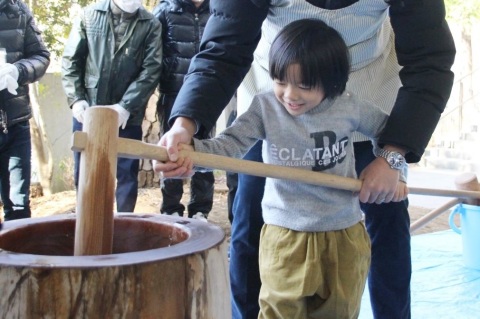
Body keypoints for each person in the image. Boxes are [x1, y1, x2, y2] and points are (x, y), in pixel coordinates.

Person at [154, 1, 456, 318]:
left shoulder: (356, 109)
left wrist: (393, 156)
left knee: (389, 223)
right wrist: (184, 128)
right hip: (276, 111)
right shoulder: (271, 105)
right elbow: (223, 50)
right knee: (249, 223)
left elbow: (429, 59)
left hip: (364, 95)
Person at [61, 0, 162, 213]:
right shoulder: (89, 15)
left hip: (128, 116)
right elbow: (72, 60)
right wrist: (77, 99)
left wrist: (126, 106)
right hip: (88, 112)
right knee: (87, 172)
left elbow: (151, 69)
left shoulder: (150, 23)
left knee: (126, 173)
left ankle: (125, 225)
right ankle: (87, 224)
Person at [153, 0, 213, 221]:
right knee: (170, 150)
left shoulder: (217, 9)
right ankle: (171, 208)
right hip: (173, 93)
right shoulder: (165, 9)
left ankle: (200, 209)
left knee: (204, 152)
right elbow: (153, 54)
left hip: (207, 95)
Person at [0, 0, 50, 228]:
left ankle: (17, 263)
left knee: (19, 208)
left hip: (16, 122)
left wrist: (17, 71)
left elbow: (41, 56)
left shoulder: (18, 10)